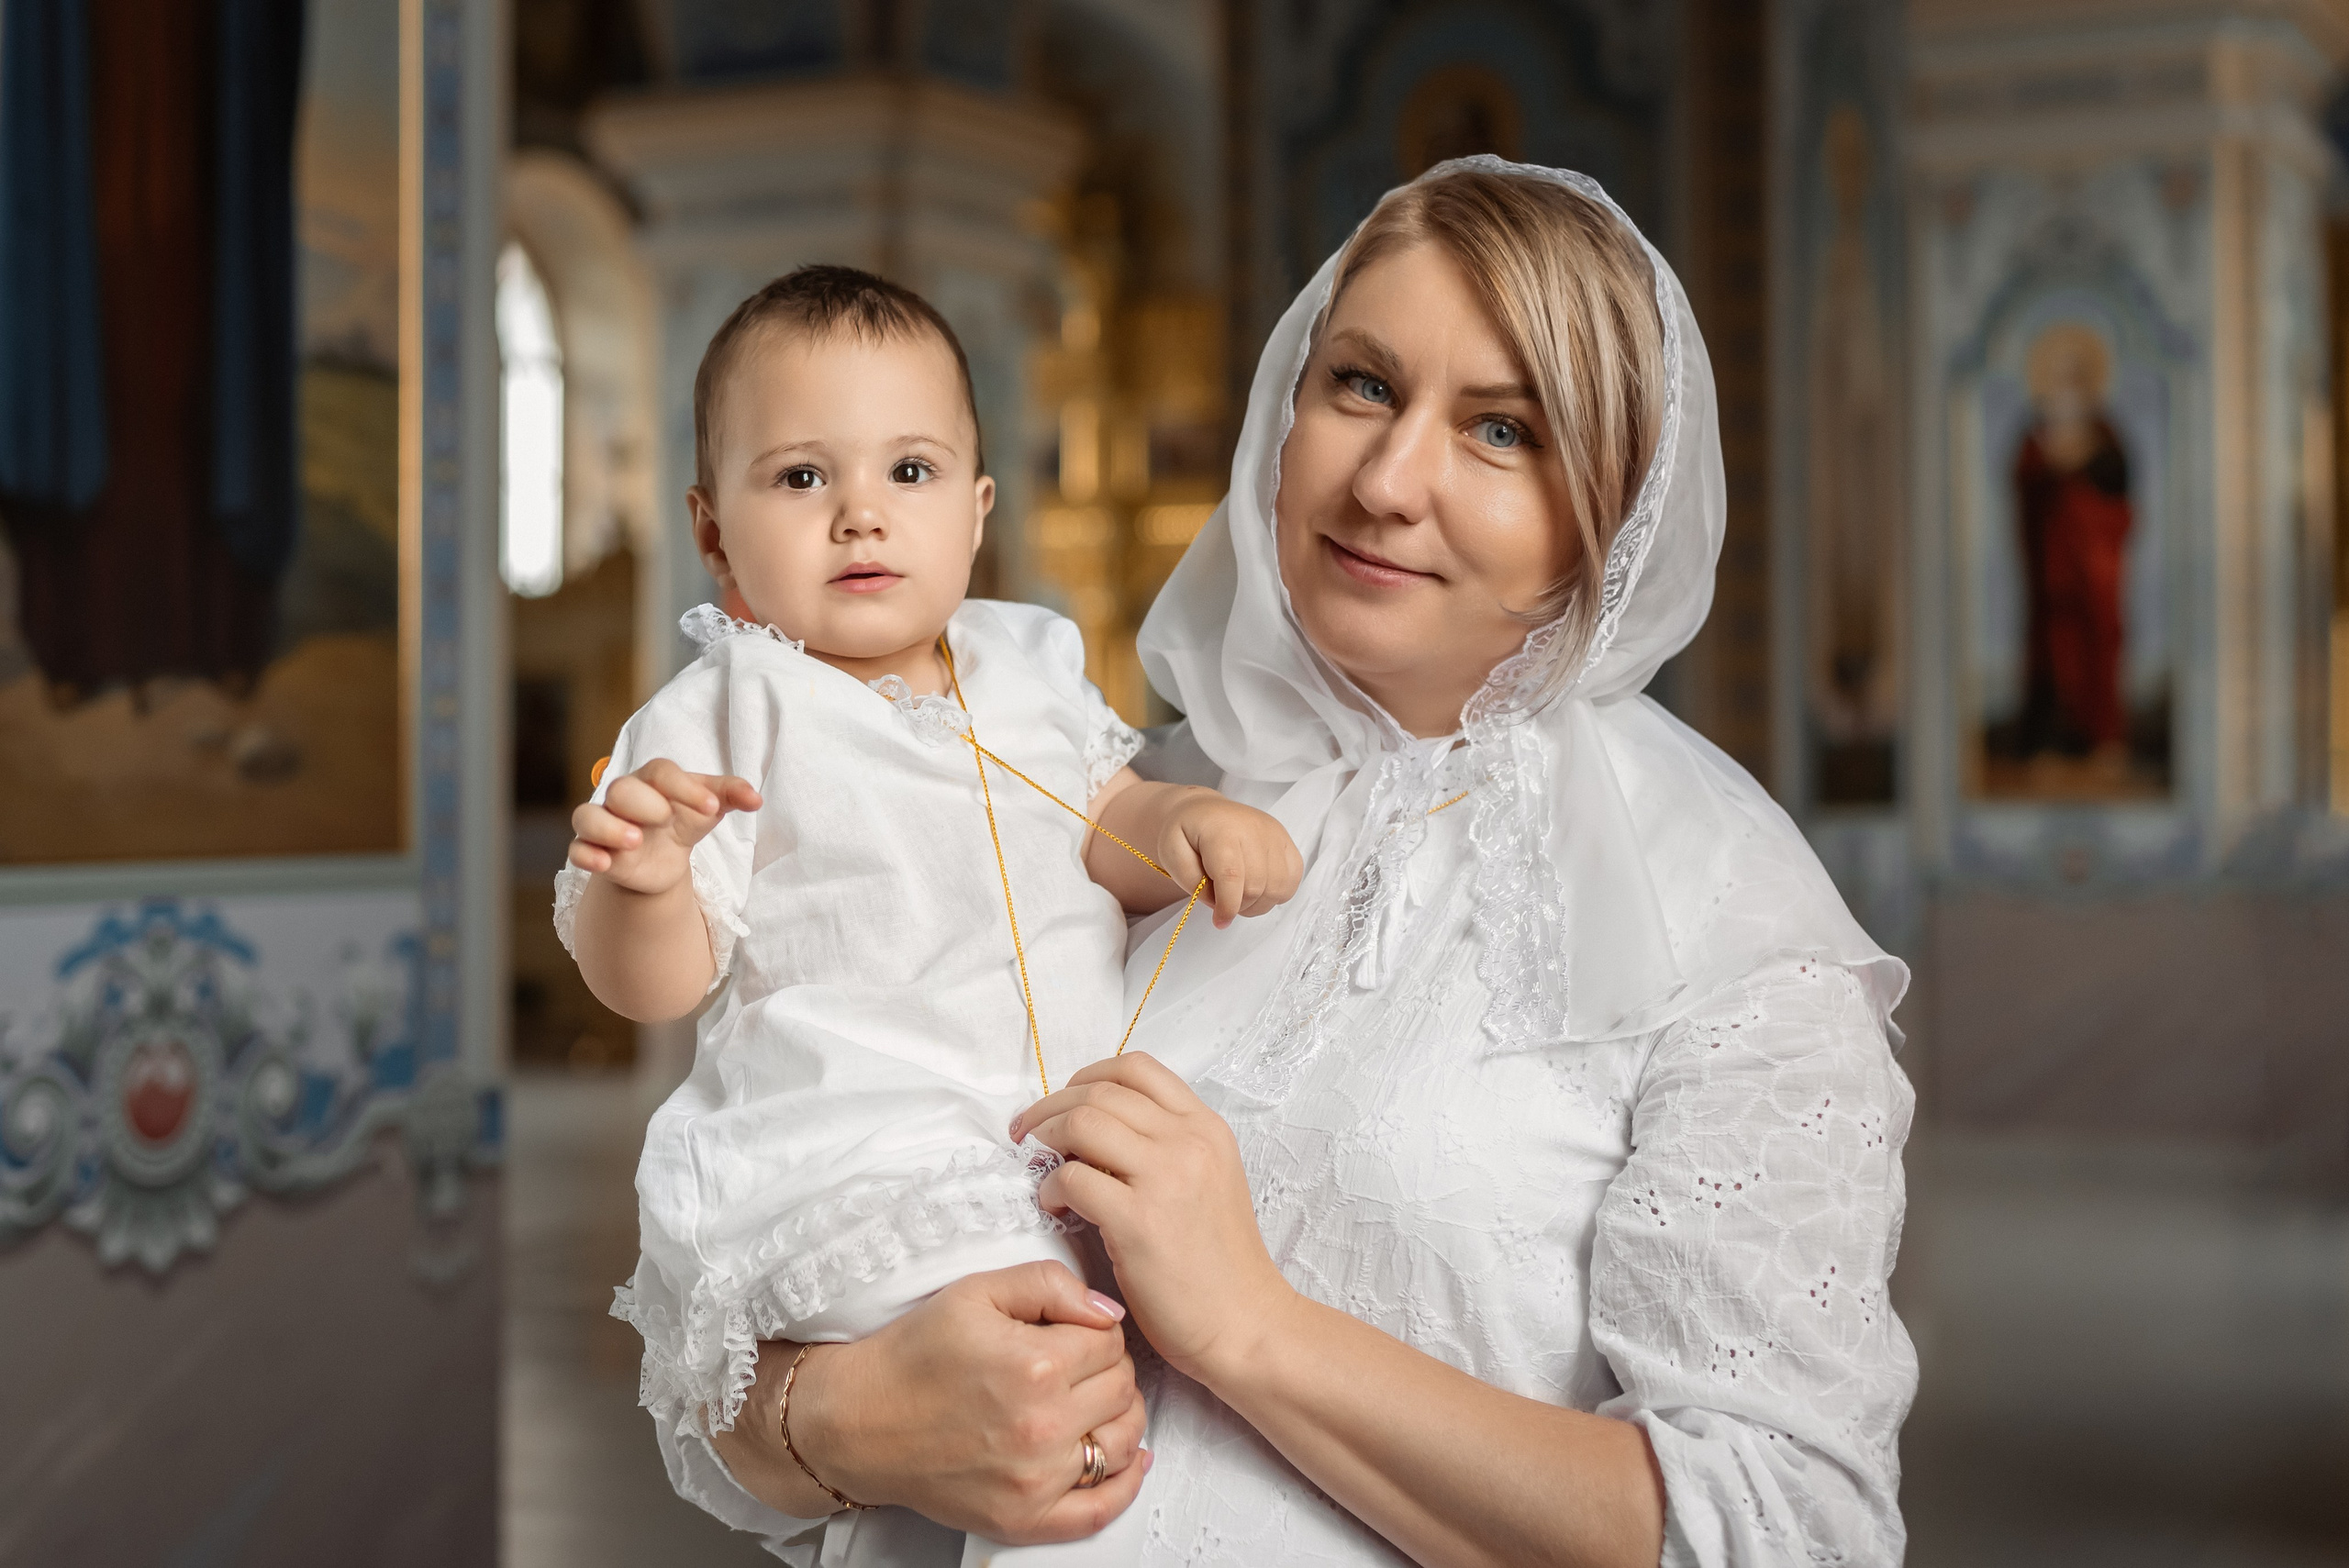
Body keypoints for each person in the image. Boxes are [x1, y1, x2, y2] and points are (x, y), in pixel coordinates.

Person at [702, 161, 1919, 1567]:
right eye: (1360, 386)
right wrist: (847, 1415)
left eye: (1502, 429)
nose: (1390, 480)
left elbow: (1783, 1532)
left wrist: (1251, 1325)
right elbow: (730, 1290)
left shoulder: (1727, 919)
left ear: (1611, 505)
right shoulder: (1103, 801)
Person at [553, 266, 1301, 1565]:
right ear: (714, 531)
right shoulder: (726, 711)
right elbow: (654, 984)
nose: (859, 515)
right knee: (1008, 1413)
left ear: (975, 507)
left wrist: (1176, 827)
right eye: (799, 478)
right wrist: (649, 879)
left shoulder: (1028, 663)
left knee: (1133, 1382)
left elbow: (1103, 813)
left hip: (1060, 1140)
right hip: (863, 1147)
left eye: (909, 471)